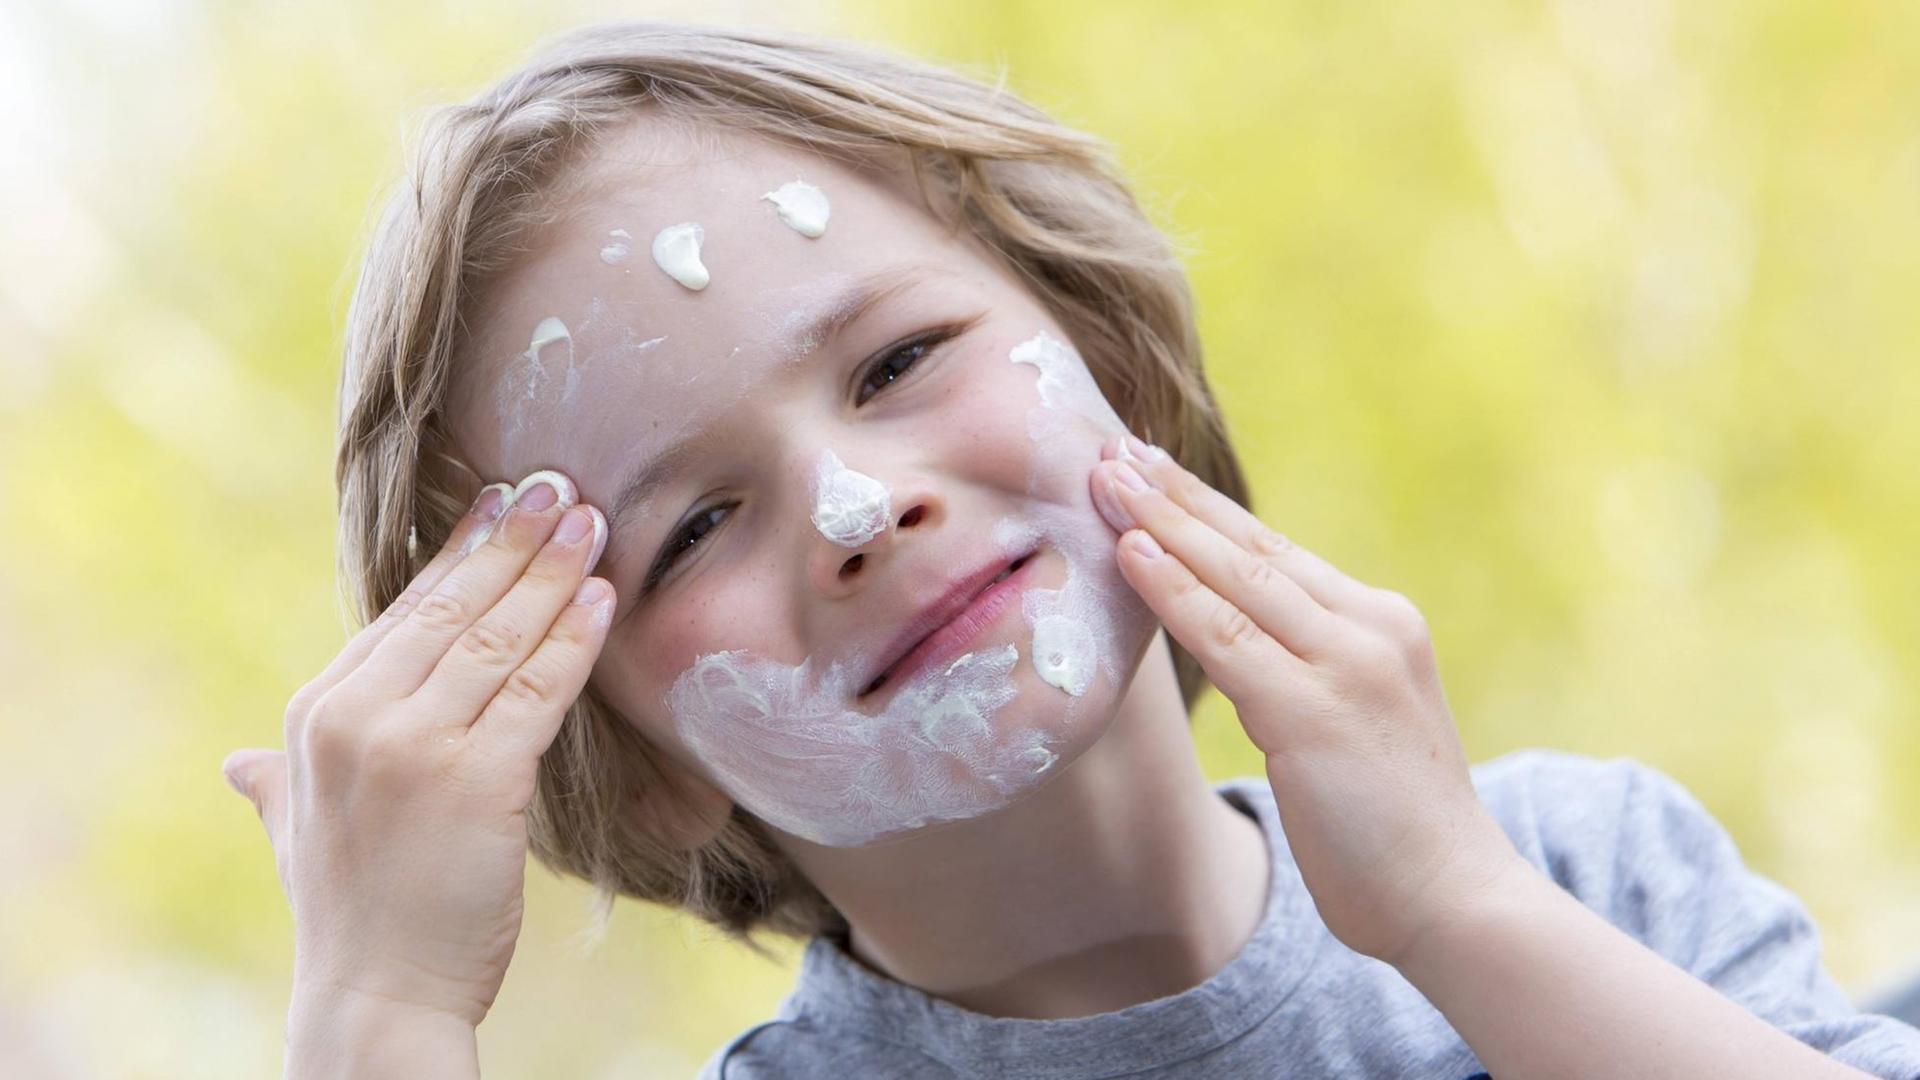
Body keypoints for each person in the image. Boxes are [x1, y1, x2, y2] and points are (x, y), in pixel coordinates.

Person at [218, 20, 1920, 1078]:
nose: (858, 508)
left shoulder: (1580, 872)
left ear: (1118, 369)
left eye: (896, 365)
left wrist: (1460, 914)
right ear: (631, 766)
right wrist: (381, 1019)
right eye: (697, 524)